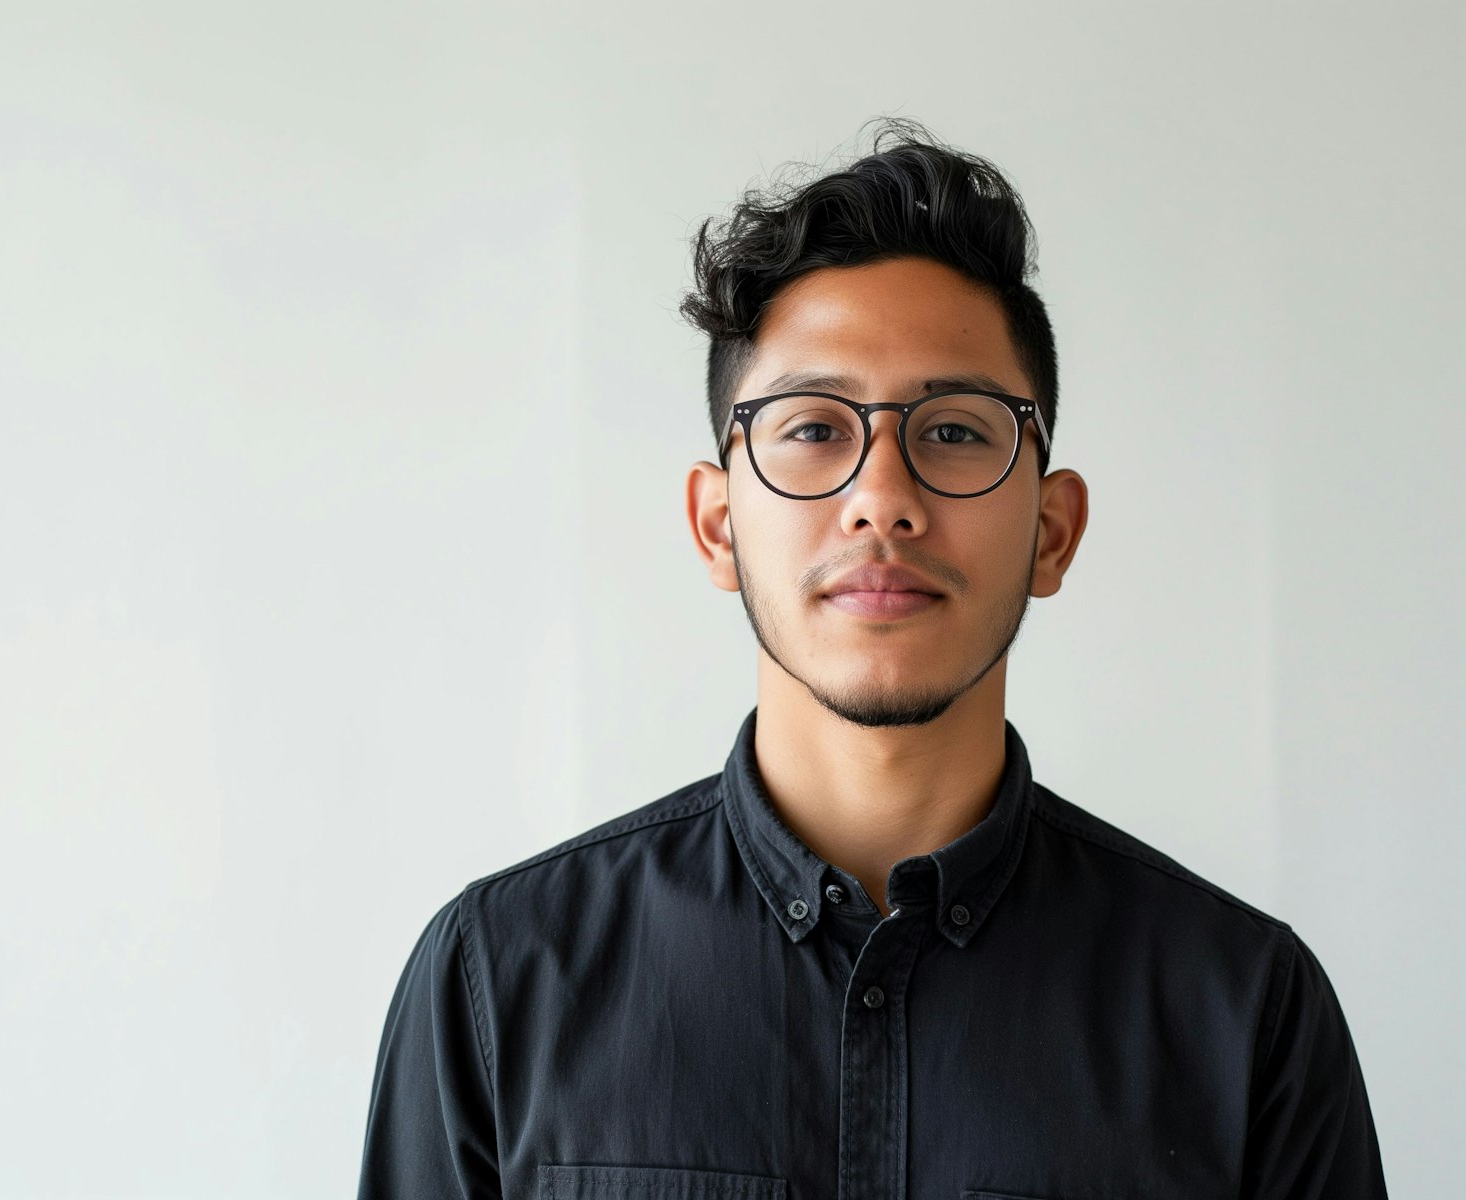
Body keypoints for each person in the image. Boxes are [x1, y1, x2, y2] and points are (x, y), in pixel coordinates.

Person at [357, 118, 1387, 1199]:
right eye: (812, 428)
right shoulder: (498, 981)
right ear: (717, 526)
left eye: (953, 430)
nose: (882, 501)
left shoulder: (1245, 1011)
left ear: (1051, 531)